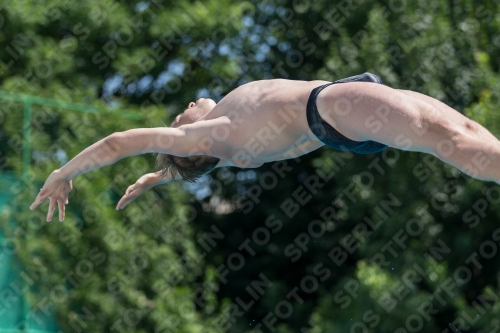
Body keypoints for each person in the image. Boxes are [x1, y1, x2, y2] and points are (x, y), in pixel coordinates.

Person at [30, 73, 500, 222]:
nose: (185, 107)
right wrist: (64, 173)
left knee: (463, 130)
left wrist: (158, 177)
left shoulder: (223, 147)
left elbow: (187, 166)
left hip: (340, 118)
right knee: (452, 139)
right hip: (336, 106)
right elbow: (117, 143)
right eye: (178, 118)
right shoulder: (207, 136)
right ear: (188, 139)